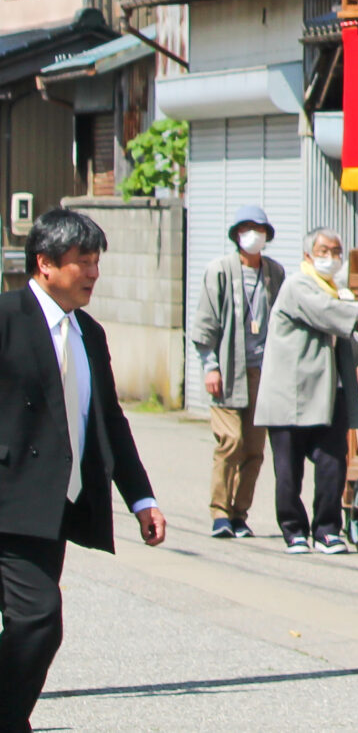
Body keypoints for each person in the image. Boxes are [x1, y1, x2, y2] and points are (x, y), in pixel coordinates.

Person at [0, 208, 165, 733]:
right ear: (45, 263)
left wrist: (141, 499)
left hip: (52, 507)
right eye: (83, 262)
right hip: (8, 500)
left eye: (97, 262)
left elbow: (110, 421)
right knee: (38, 617)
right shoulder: (7, 318)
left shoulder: (88, 332)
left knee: (36, 623)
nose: (93, 273)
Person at [255, 226, 358, 554]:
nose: (331, 257)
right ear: (308, 255)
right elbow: (328, 314)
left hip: (329, 394)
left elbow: (347, 339)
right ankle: (293, 530)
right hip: (289, 395)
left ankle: (327, 529)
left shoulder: (335, 291)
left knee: (333, 463)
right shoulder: (299, 286)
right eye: (323, 251)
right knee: (288, 470)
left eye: (336, 252)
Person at [187, 203, 285, 540]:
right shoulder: (219, 271)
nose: (253, 235)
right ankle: (220, 512)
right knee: (231, 441)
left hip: (263, 372)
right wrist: (210, 367)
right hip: (228, 370)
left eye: (259, 229)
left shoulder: (275, 272)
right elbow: (205, 323)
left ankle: (240, 513)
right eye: (246, 229)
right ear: (236, 235)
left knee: (255, 450)